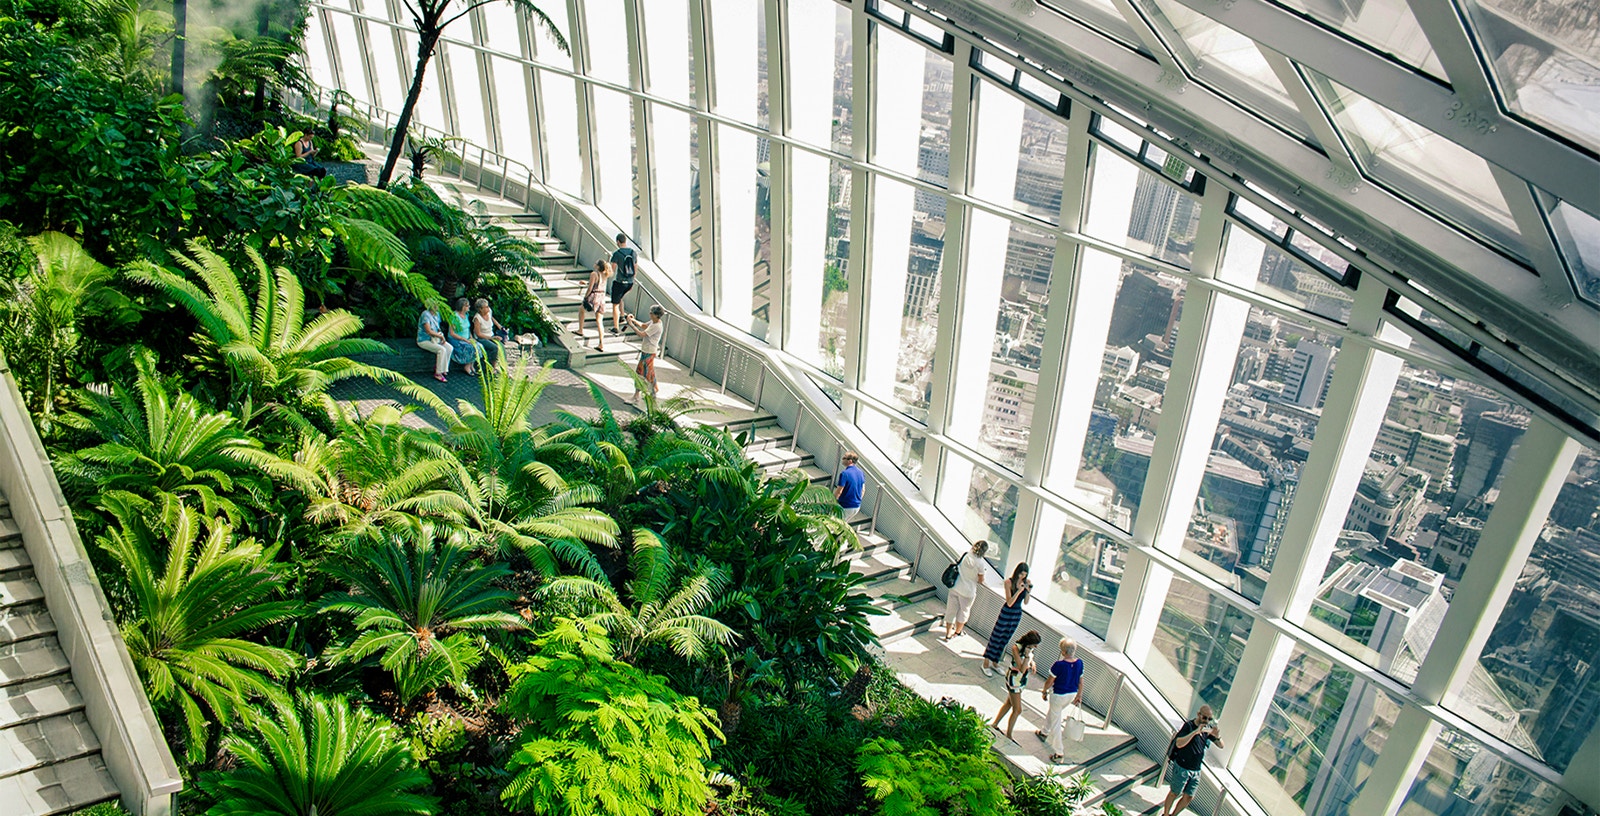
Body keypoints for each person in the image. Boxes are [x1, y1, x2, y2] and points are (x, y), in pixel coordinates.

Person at [1161, 705, 1224, 816]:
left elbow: (1221, 746)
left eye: (1210, 719)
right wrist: (1195, 732)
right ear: (1199, 714)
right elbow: (1179, 743)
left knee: (1189, 796)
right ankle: (1166, 814)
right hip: (1182, 767)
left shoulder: (1207, 730)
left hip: (1196, 770)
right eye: (1205, 718)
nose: (1207, 721)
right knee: (1174, 793)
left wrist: (1217, 736)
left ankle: (1174, 814)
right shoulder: (1189, 726)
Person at [1038, 638, 1085, 762]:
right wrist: (1079, 695)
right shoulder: (1080, 663)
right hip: (1071, 695)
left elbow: (1050, 681)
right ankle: (1044, 731)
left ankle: (1059, 752)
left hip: (1058, 695)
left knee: (1056, 721)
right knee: (1055, 712)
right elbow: (1081, 682)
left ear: (1063, 651)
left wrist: (1044, 690)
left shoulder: (1058, 665)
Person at [981, 562, 1032, 677]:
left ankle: (995, 662)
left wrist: (1028, 591)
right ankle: (986, 663)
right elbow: (1009, 602)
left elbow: (1026, 602)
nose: (1022, 577)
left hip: (1016, 614)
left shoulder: (1025, 583)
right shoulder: (1008, 582)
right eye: (1021, 574)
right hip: (1007, 612)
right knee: (996, 637)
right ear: (1017, 572)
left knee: (1005, 639)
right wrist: (1018, 591)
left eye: (1024, 575)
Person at [990, 630, 1041, 741]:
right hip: (1014, 680)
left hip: (1021, 680)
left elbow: (1029, 660)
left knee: (1009, 703)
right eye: (1034, 645)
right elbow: (1022, 669)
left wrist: (1032, 663)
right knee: (1018, 709)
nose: (1035, 647)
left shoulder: (1029, 649)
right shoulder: (1016, 648)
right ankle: (1009, 734)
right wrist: (1027, 657)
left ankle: (995, 723)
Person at [941, 540, 988, 641]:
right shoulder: (980, 564)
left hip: (955, 586)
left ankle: (948, 633)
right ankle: (957, 632)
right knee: (964, 612)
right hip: (968, 592)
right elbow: (981, 580)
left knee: (951, 610)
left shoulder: (966, 555)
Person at [625, 305, 665, 405]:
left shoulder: (656, 326)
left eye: (651, 313)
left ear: (656, 315)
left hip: (649, 352)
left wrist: (631, 325)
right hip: (648, 351)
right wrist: (633, 320)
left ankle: (636, 396)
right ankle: (653, 391)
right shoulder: (654, 322)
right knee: (649, 373)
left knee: (640, 373)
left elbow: (641, 334)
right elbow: (643, 325)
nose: (649, 314)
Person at [577, 260, 610, 351]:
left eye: (596, 263)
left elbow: (590, 288)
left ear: (598, 266)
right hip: (601, 298)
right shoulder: (605, 274)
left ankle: (580, 330)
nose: (594, 264)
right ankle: (601, 343)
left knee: (581, 310)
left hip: (594, 297)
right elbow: (599, 284)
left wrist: (585, 297)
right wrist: (586, 282)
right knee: (599, 321)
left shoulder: (594, 274)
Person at [608, 233, 637, 336]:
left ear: (618, 242)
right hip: (629, 282)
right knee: (620, 298)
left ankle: (616, 328)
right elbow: (635, 267)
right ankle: (622, 316)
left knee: (615, 304)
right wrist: (632, 280)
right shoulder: (633, 253)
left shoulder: (617, 254)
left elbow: (612, 270)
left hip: (620, 282)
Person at [416, 304, 451, 383]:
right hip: (424, 340)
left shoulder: (437, 314)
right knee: (441, 350)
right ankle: (438, 373)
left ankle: (443, 368)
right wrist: (440, 337)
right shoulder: (425, 315)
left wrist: (441, 336)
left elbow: (437, 327)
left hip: (435, 339)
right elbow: (429, 331)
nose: (437, 306)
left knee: (449, 348)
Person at [446, 297, 480, 377]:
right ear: (462, 307)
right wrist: (464, 339)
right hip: (456, 339)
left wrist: (471, 337)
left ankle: (471, 364)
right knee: (470, 347)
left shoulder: (466, 315)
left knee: (478, 346)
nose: (469, 307)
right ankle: (467, 366)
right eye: (467, 306)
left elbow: (467, 329)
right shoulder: (454, 316)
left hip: (466, 338)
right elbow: (452, 333)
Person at [471, 298, 505, 369]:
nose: (488, 308)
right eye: (486, 307)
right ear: (480, 309)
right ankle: (493, 366)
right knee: (494, 347)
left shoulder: (489, 312)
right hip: (482, 338)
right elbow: (478, 334)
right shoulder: (477, 318)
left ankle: (503, 366)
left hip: (490, 335)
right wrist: (492, 338)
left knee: (501, 346)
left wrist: (498, 325)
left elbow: (491, 318)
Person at [834, 452, 865, 519]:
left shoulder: (844, 474)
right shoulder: (860, 472)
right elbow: (863, 490)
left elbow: (839, 491)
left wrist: (833, 501)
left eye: (844, 458)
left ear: (850, 461)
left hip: (846, 506)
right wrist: (857, 501)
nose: (842, 459)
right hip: (856, 507)